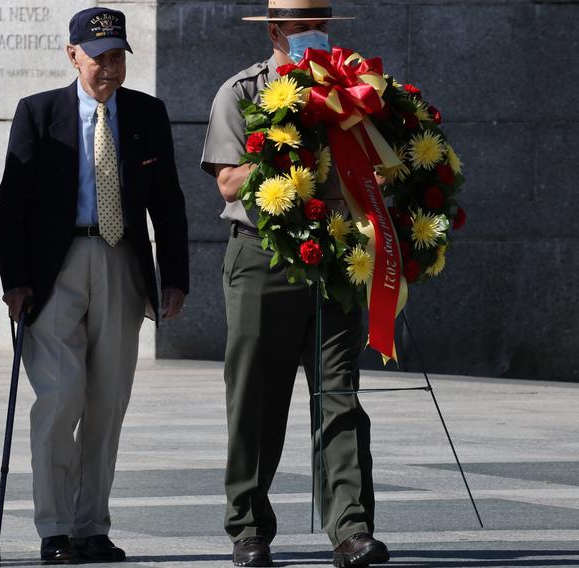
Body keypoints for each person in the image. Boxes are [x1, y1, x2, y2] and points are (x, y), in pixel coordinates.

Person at [0, 6, 189, 563]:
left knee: (108, 400)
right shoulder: (38, 112)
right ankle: (54, 528)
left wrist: (173, 278)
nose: (108, 67)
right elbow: (11, 207)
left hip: (121, 263)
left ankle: (91, 526)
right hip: (55, 270)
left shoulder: (147, 113)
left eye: (117, 57)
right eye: (98, 56)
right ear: (72, 54)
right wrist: (15, 280)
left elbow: (168, 203)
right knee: (59, 399)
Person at [200, 1, 391, 567]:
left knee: (340, 394)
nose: (316, 35)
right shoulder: (241, 91)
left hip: (334, 252)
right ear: (277, 30)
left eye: (323, 26)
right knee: (256, 395)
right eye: (304, 27)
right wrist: (284, 143)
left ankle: (351, 528)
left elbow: (381, 166)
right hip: (263, 253)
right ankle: (249, 528)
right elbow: (229, 184)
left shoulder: (354, 92)